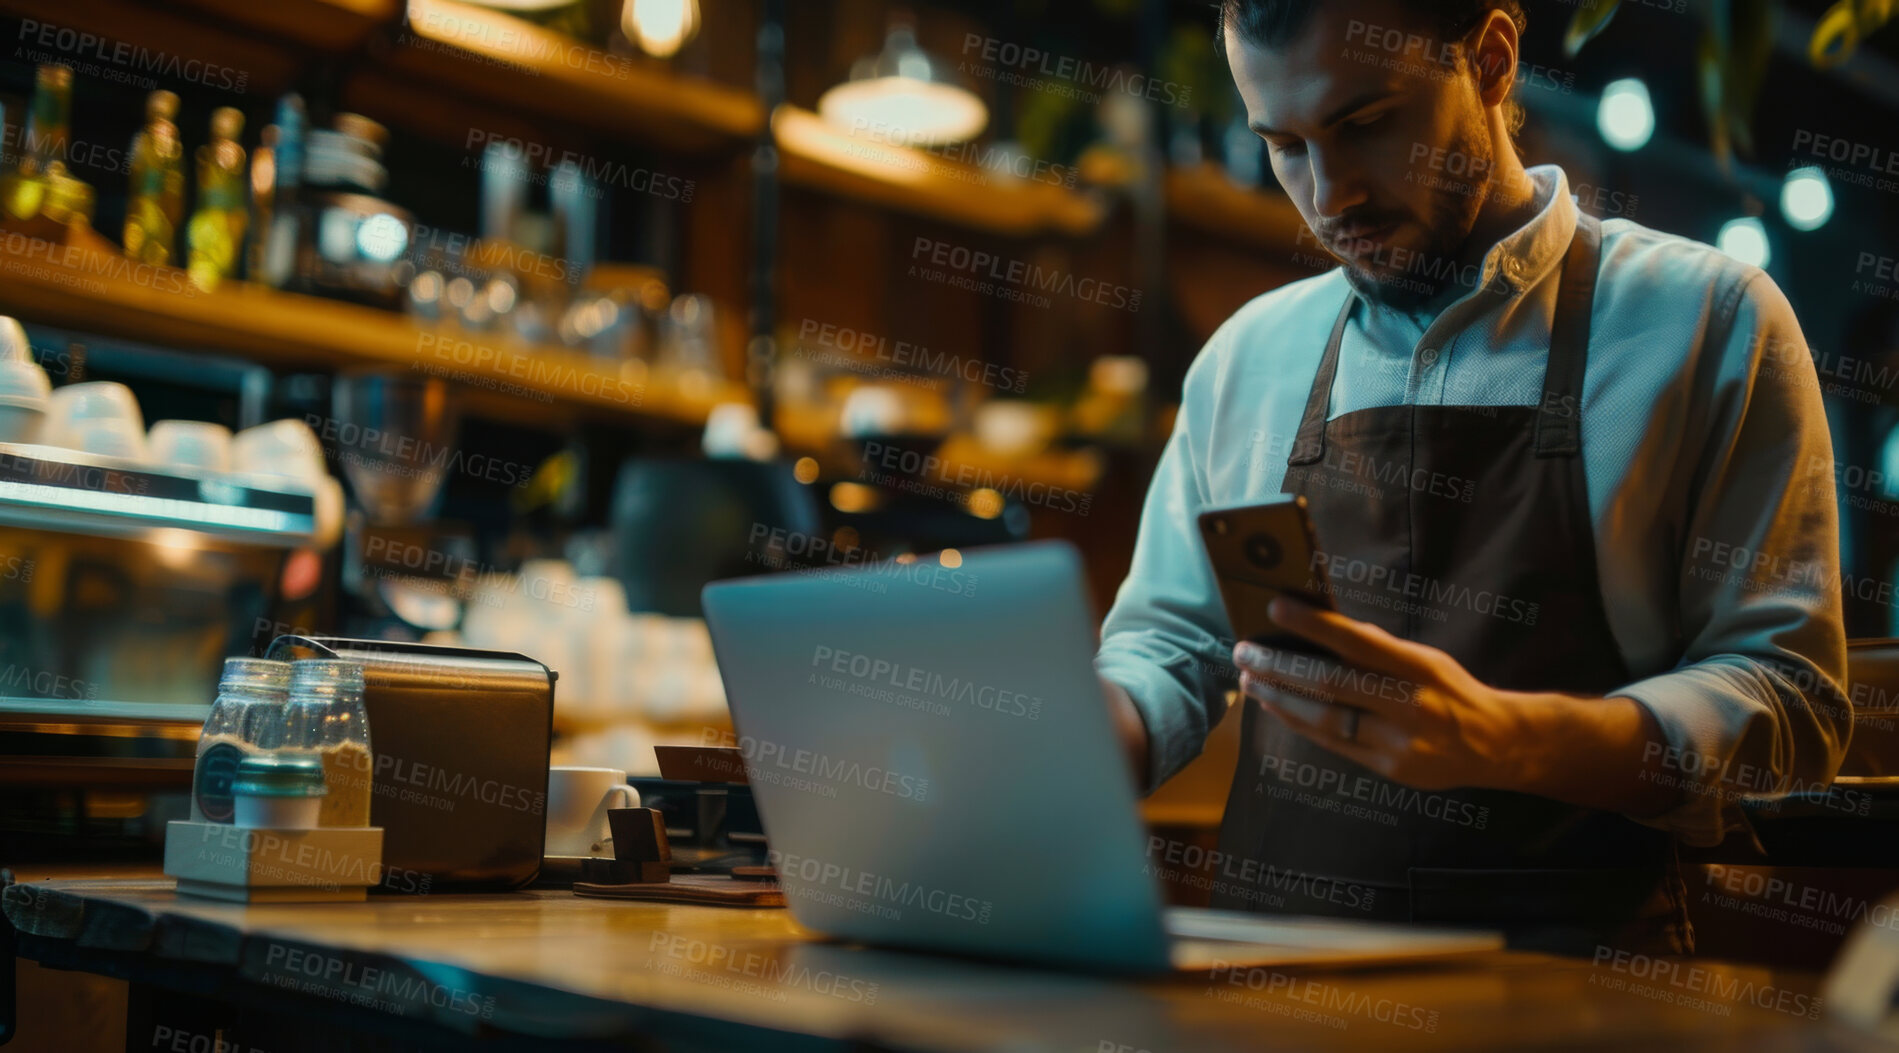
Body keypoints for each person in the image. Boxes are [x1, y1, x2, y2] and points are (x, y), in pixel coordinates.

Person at [1095, 0, 1849, 954]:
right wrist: (1072, 743)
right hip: (1262, 988)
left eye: (1365, 125)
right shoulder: (1248, 357)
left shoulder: (1707, 320)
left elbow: (1791, 698)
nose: (1330, 197)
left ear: (1491, 60)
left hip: (1581, 998)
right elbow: (1170, 644)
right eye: (1284, 146)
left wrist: (1512, 740)